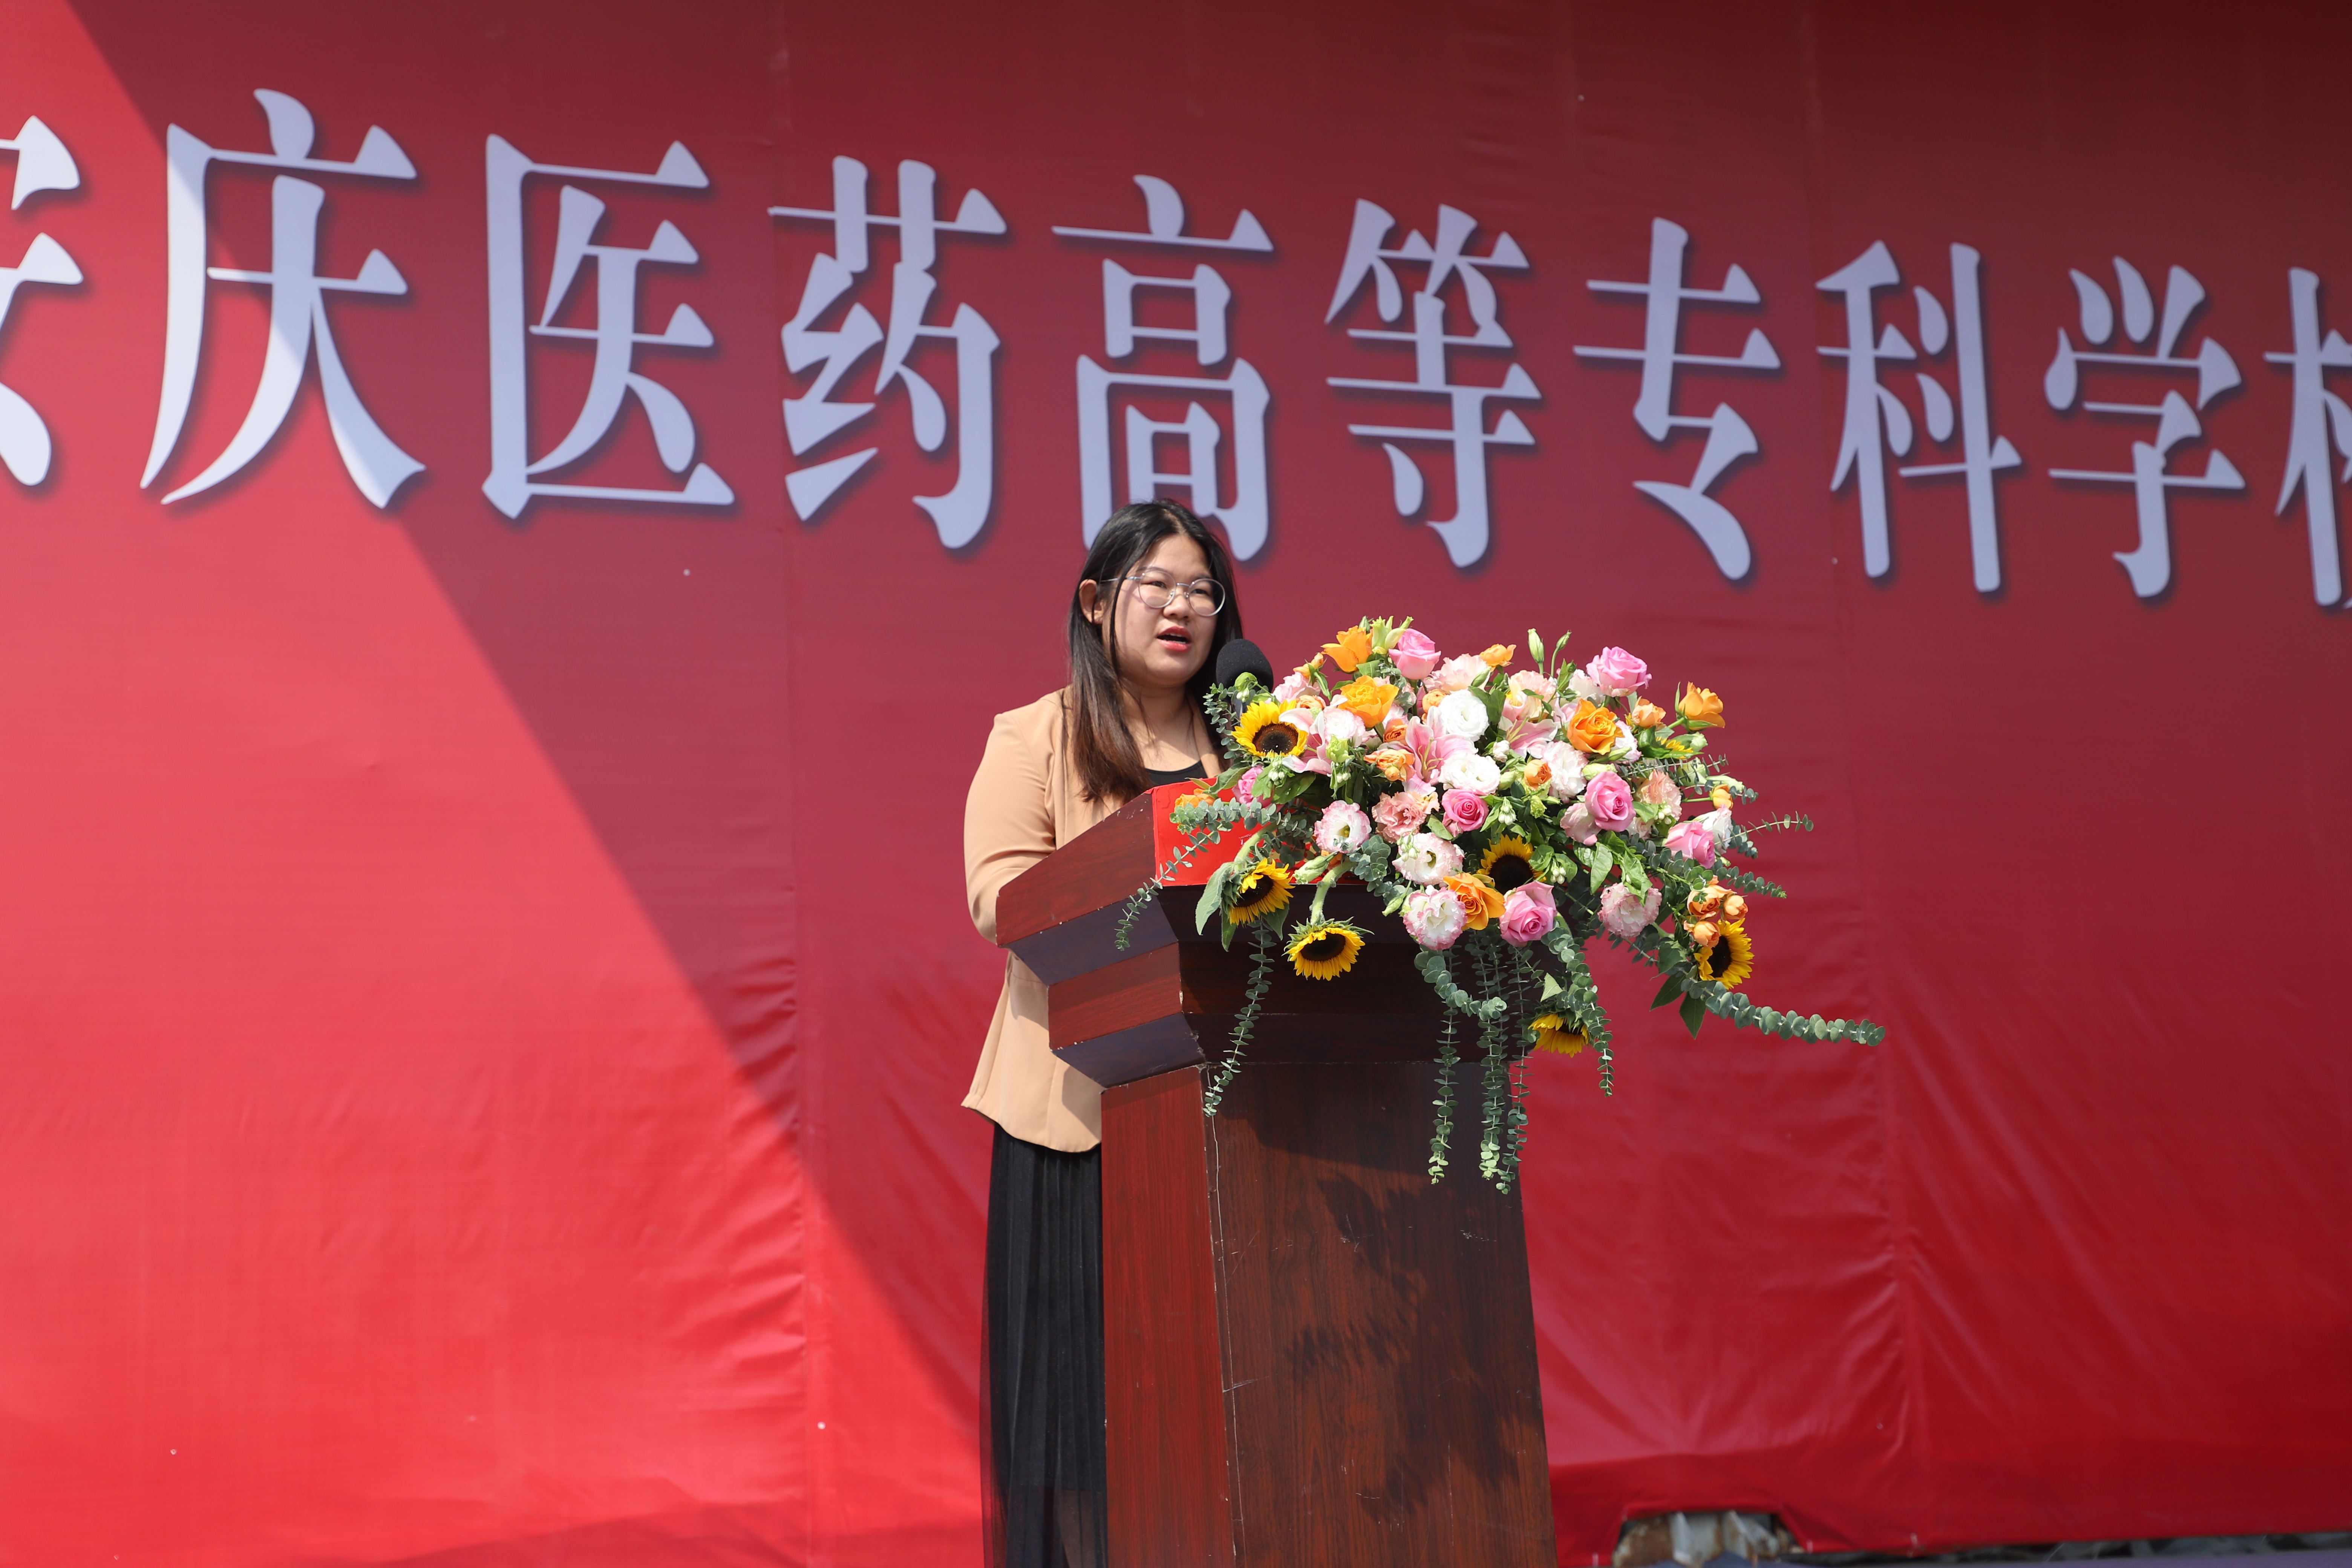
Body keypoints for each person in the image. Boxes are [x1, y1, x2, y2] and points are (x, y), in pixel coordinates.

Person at [962, 499, 1242, 1568]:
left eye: (1202, 590)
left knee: (1215, 1411)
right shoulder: (1036, 734)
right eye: (1156, 585)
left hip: (1235, 1120)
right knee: (1085, 1429)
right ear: (1095, 602)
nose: (1182, 608)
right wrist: (1142, 870)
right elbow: (1001, 898)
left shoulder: (1261, 751)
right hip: (1079, 1119)